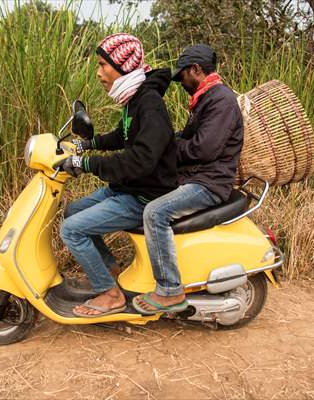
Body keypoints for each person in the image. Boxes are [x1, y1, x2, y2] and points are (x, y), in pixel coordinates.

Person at [57, 33, 177, 318]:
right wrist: (89, 144)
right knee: (72, 211)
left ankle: (110, 295)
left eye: (103, 65)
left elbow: (139, 160)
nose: (99, 73)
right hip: (128, 187)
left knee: (71, 230)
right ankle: (110, 270)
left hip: (143, 195)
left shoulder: (150, 105)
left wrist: (86, 164)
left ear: (123, 65)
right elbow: (123, 135)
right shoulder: (134, 98)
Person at [132, 44, 244, 314]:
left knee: (155, 213)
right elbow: (188, 138)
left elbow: (203, 148)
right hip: (197, 177)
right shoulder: (207, 99)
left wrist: (166, 149)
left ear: (196, 70)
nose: (181, 82)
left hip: (208, 183)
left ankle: (170, 290)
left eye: (182, 75)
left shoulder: (221, 100)